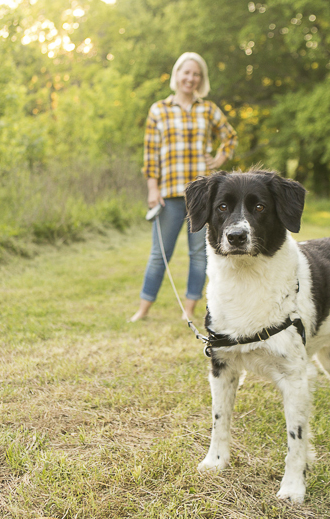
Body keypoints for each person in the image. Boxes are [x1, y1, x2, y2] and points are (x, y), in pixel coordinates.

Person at [129, 52, 238, 322]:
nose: (191, 78)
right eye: (186, 73)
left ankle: (189, 310)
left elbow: (230, 136)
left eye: (196, 74)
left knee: (199, 254)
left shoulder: (208, 109)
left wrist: (220, 158)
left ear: (201, 80)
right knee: (159, 254)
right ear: (176, 75)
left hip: (202, 196)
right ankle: (143, 310)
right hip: (169, 195)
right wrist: (152, 189)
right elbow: (151, 153)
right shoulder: (159, 109)